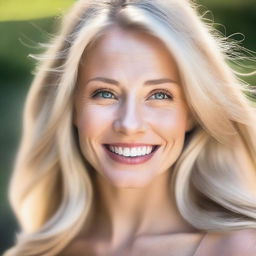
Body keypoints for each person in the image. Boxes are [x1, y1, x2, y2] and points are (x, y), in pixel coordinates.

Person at [4, 0, 256, 255]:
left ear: (193, 112)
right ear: (71, 107)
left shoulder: (241, 248)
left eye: (159, 95)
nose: (129, 124)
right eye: (105, 93)